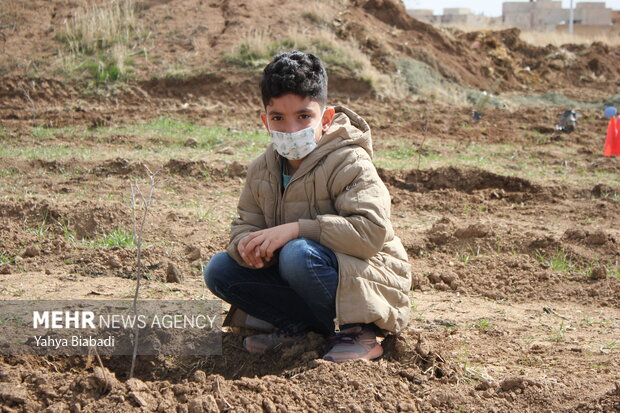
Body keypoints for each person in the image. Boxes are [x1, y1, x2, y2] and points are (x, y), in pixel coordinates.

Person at [203, 50, 411, 362]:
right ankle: (298, 330)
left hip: (371, 279)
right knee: (220, 269)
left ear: (326, 119)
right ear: (265, 122)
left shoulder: (350, 161)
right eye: (278, 118)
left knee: (297, 253)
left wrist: (298, 230)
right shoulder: (262, 169)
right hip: (305, 275)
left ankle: (359, 334)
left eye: (303, 117)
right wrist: (247, 246)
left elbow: (370, 232)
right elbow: (245, 223)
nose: (290, 129)